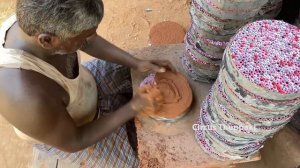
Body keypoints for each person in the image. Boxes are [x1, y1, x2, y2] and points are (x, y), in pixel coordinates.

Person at [0, 0, 175, 167]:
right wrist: (134, 107)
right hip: (71, 130)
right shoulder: (27, 98)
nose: (91, 38)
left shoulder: (39, 18)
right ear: (47, 40)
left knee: (135, 74)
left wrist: (135, 63)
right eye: (83, 37)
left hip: (81, 89)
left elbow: (89, 41)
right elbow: (75, 141)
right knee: (143, 161)